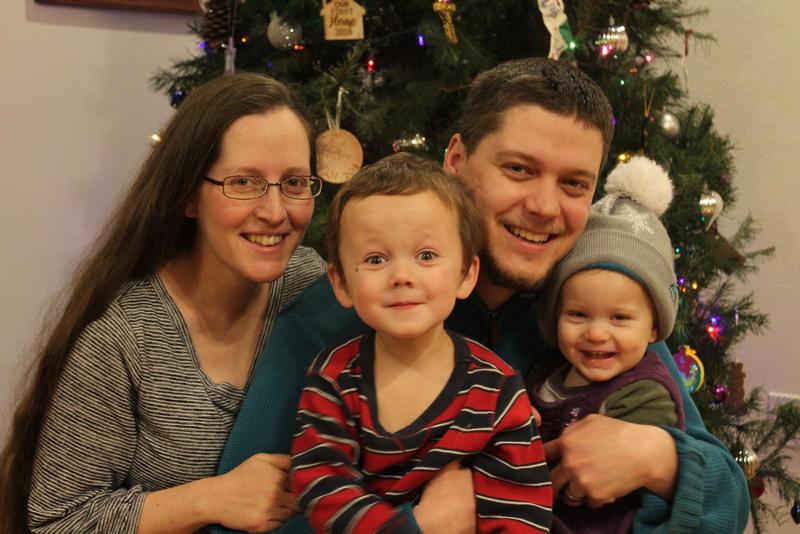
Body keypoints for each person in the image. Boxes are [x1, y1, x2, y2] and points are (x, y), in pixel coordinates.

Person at [216, 58, 750, 534]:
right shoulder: (339, 316)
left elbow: (729, 501)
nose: (544, 206)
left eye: (574, 185)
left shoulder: (594, 306)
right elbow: (244, 516)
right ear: (456, 159)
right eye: (518, 169)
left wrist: (661, 458)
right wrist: (419, 525)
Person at [0, 73, 329, 534]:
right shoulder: (124, 337)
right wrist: (209, 499)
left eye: (294, 182)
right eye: (243, 182)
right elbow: (58, 519)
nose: (276, 211)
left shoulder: (317, 288)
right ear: (190, 195)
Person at [292, 153, 552, 533]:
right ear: (342, 283)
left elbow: (521, 512)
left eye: (426, 256)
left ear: (466, 274)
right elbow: (323, 491)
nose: (401, 276)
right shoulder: (332, 378)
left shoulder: (498, 388)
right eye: (376, 259)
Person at [528, 156, 686, 533]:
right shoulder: (545, 373)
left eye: (619, 318)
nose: (596, 334)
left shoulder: (647, 393)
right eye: (578, 315)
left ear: (653, 329)